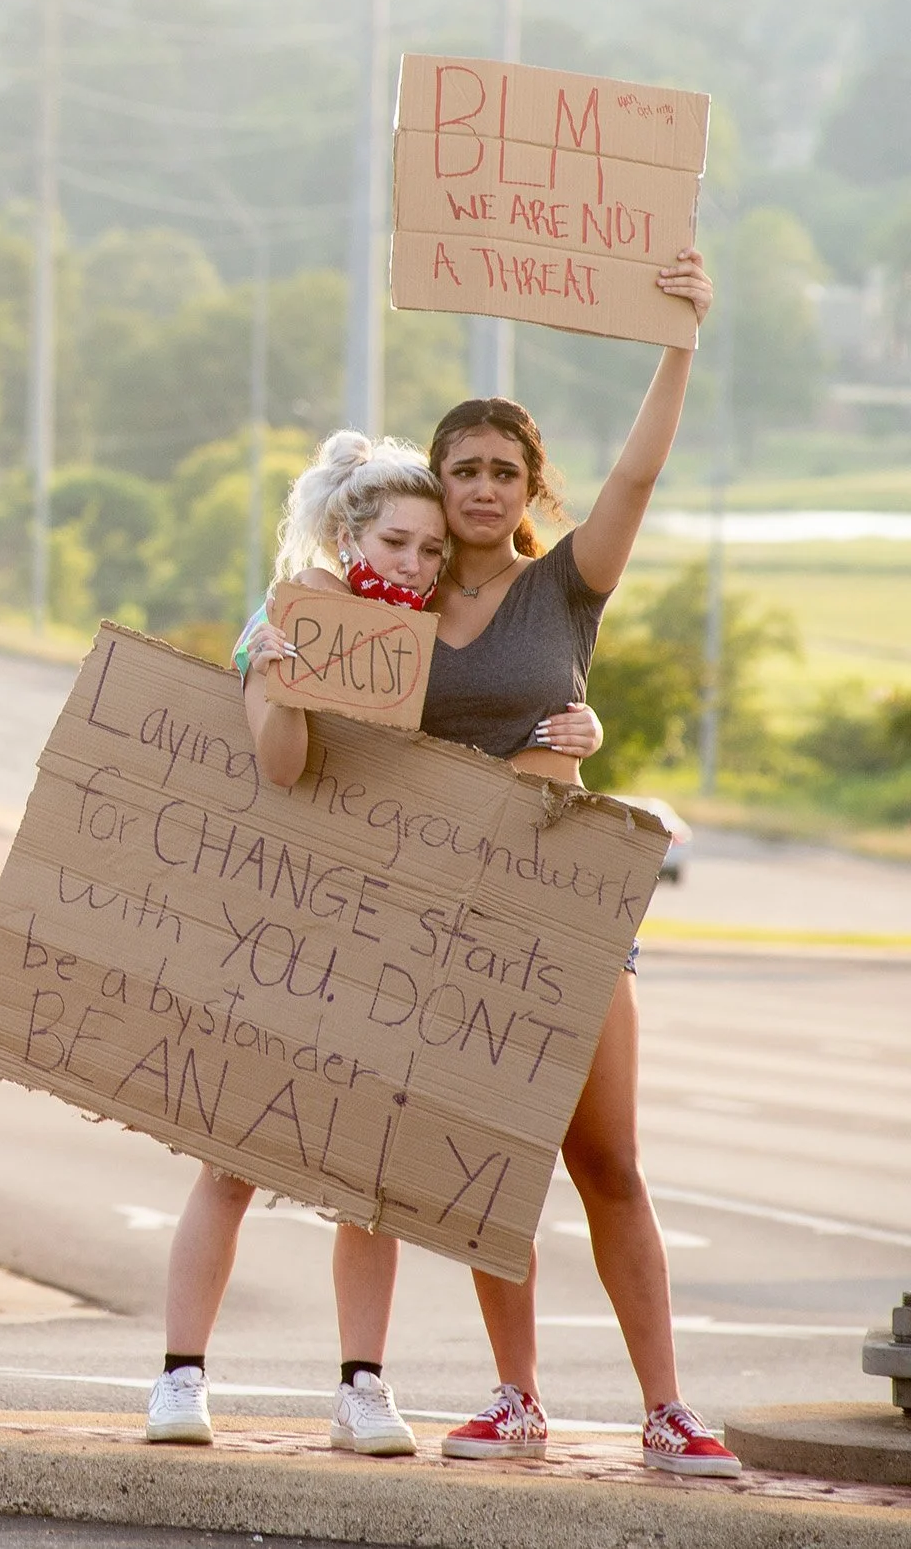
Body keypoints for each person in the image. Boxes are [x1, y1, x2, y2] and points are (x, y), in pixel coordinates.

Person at [142, 430, 607, 1451]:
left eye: (429, 550)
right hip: (283, 911)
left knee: (368, 1171)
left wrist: (581, 730)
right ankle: (179, 1378)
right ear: (348, 533)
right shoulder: (293, 618)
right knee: (230, 1159)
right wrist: (283, 679)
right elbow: (277, 764)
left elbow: (500, 732)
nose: (413, 564)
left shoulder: (428, 637)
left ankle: (361, 1384)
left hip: (391, 925)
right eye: (395, 542)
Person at [406, 252, 741, 1479]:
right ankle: (515, 1397)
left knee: (605, 1159)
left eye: (503, 470)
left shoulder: (567, 585)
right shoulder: (385, 607)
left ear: (528, 485)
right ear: (432, 487)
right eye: (462, 470)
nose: (482, 487)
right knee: (491, 1161)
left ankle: (665, 1408)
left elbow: (639, 471)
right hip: (450, 911)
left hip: (567, 901)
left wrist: (679, 340)